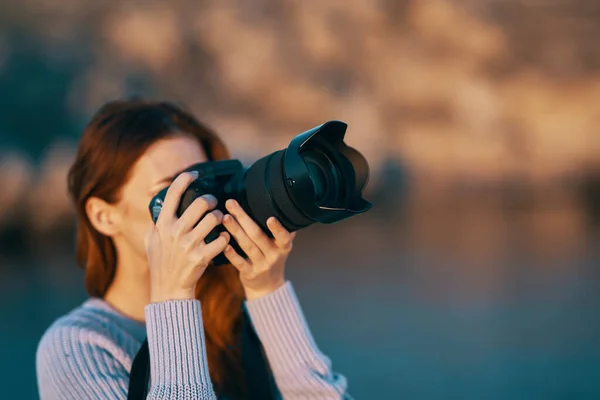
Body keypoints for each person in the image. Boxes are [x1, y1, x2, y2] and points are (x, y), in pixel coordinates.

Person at [35, 100, 350, 399]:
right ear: (104, 216)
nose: (203, 206)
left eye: (205, 185)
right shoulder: (78, 347)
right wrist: (173, 299)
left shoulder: (233, 322)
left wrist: (267, 291)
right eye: (175, 190)